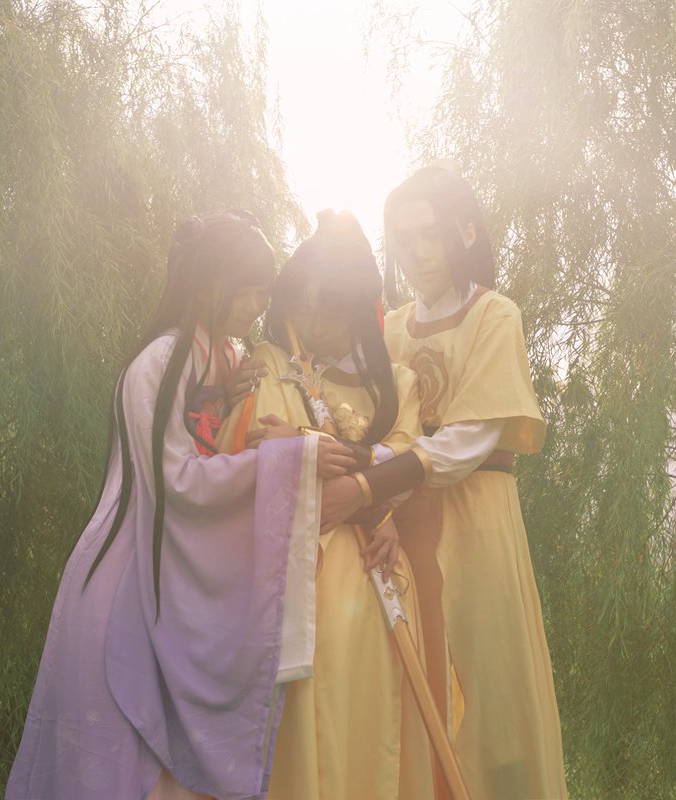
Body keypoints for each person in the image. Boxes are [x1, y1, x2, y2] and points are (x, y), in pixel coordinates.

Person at [6, 211, 356, 800]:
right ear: (203, 283)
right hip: (126, 576)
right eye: (245, 289)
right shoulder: (160, 361)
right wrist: (285, 459)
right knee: (116, 768)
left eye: (263, 290)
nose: (256, 304)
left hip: (164, 575)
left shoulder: (219, 356)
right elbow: (178, 483)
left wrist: (242, 416)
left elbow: (211, 448)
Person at [319, 167, 568, 799]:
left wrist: (369, 489)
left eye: (429, 234)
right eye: (403, 240)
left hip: (475, 517)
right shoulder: (390, 330)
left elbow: (468, 440)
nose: (417, 252)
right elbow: (354, 410)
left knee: (489, 693)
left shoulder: (494, 315)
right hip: (399, 526)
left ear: (466, 233)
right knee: (409, 682)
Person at [218, 210, 435, 800]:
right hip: (290, 574)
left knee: (367, 734)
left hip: (374, 576)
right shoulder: (269, 362)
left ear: (359, 310)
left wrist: (367, 489)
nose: (312, 323)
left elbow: (409, 460)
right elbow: (253, 447)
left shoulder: (398, 382)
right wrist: (359, 475)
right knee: (297, 732)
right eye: (303, 306)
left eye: (329, 310)